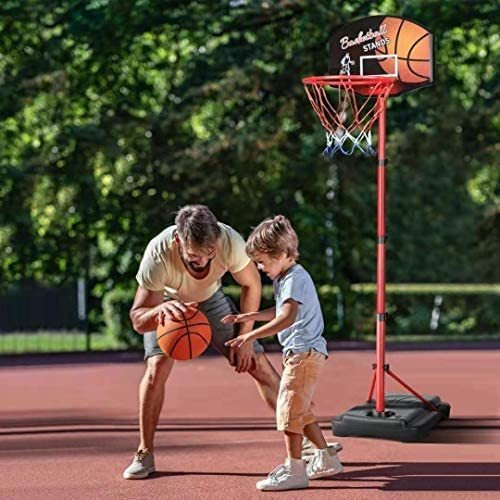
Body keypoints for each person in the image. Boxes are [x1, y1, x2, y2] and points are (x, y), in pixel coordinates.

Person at [123, 204, 282, 479]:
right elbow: (138, 320)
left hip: (211, 300)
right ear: (178, 241)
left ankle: (307, 439)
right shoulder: (158, 253)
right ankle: (144, 452)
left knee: (255, 361)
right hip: (169, 304)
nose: (204, 261)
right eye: (195, 255)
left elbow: (252, 285)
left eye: (209, 253)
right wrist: (159, 310)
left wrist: (244, 337)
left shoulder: (228, 241)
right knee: (155, 371)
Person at [224, 215, 344, 491]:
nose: (259, 267)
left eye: (262, 261)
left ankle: (295, 470)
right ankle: (326, 458)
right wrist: (248, 315)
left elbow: (287, 318)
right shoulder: (287, 278)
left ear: (281, 255)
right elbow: (281, 311)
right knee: (301, 411)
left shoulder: (293, 279)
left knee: (288, 410)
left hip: (303, 352)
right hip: (302, 352)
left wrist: (250, 334)